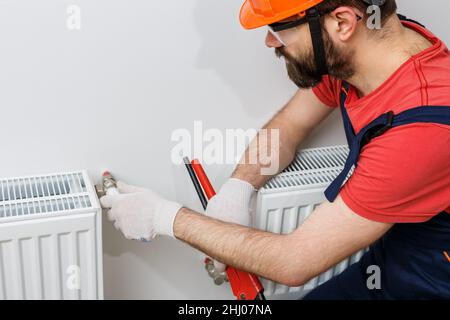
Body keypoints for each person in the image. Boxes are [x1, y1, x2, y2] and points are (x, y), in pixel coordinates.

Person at [100, 0, 450, 299]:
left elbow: (294, 262)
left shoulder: (422, 128)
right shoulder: (358, 54)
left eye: (278, 29)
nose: (270, 41)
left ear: (342, 22)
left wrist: (164, 217)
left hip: (433, 283)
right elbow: (290, 127)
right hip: (389, 264)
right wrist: (239, 187)